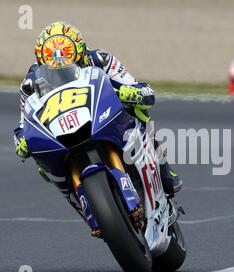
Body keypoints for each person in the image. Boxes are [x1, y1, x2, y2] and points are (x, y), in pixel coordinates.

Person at [13, 22, 182, 235]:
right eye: (54, 67)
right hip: (62, 129)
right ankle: (81, 203)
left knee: (140, 113)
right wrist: (20, 140)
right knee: (41, 164)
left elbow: (142, 89)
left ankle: (164, 168)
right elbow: (24, 122)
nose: (62, 69)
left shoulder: (101, 59)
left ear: (81, 53)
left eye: (69, 62)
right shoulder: (30, 83)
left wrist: (132, 93)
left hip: (106, 116)